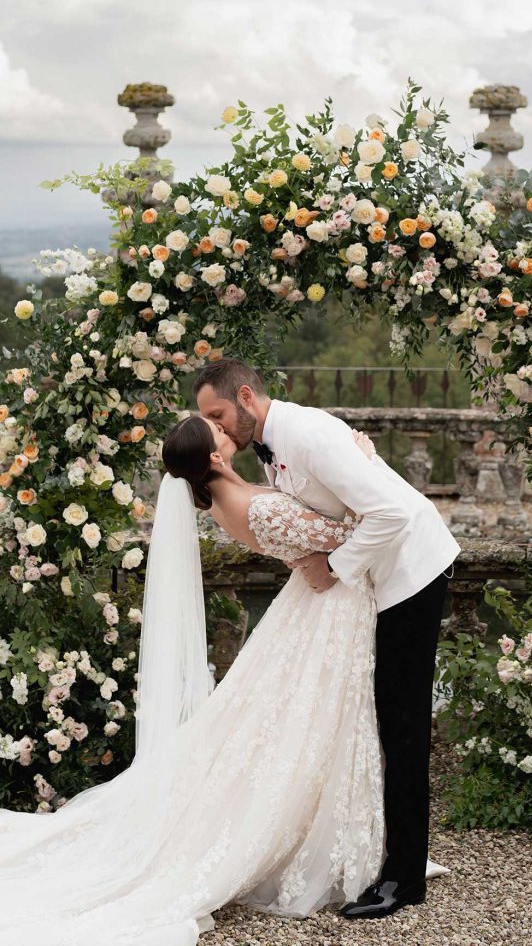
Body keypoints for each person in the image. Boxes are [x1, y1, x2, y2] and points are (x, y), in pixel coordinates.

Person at [0, 410, 452, 945]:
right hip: (328, 608)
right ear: (213, 456)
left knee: (317, 726)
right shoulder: (248, 506)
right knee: (314, 727)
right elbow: (350, 528)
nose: (225, 428)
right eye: (215, 427)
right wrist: (367, 461)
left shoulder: (237, 493)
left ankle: (353, 839)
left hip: (325, 606)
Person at [194, 357, 462, 920]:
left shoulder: (309, 433)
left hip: (411, 572)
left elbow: (391, 512)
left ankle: (404, 878)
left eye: (218, 414)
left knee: (404, 723)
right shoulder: (272, 445)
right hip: (377, 575)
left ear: (245, 396)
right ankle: (383, 855)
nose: (217, 428)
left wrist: (335, 566)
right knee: (385, 717)